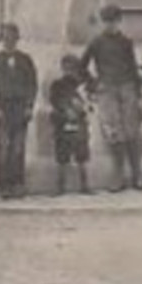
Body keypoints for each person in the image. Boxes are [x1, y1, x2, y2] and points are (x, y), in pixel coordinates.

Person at [81, 5, 142, 192]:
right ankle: (118, 175)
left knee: (132, 132)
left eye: (114, 21)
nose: (111, 25)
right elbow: (82, 66)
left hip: (127, 87)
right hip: (107, 89)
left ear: (119, 21)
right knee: (114, 133)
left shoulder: (126, 42)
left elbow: (133, 68)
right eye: (107, 21)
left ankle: (137, 175)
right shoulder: (96, 43)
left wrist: (139, 94)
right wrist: (93, 84)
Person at [0, 23, 38, 200]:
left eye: (12, 38)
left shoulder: (25, 60)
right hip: (3, 107)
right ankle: (3, 184)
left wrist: (29, 106)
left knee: (18, 146)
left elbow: (32, 84)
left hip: (20, 106)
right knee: (4, 146)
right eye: (6, 38)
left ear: (17, 39)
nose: (9, 42)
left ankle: (17, 183)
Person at [48, 54, 94, 196]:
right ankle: (60, 186)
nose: (69, 70)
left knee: (82, 154)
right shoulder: (57, 85)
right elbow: (54, 101)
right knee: (62, 155)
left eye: (72, 67)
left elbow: (90, 100)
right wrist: (66, 110)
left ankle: (85, 185)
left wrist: (81, 107)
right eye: (66, 67)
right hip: (63, 121)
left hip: (79, 121)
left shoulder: (83, 85)